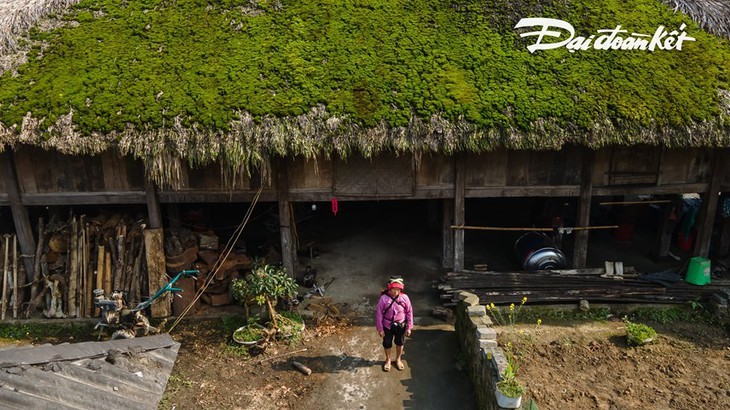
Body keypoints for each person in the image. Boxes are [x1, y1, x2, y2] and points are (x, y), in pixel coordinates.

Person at [375, 277, 413, 372]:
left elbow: (409, 312)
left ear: (401, 289)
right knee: (387, 343)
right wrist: (380, 329)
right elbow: (379, 314)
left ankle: (398, 359)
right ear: (390, 288)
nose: (396, 291)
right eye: (394, 289)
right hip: (387, 325)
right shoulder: (383, 298)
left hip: (401, 325)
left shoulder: (405, 298)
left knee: (400, 342)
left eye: (398, 289)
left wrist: (409, 327)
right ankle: (388, 360)